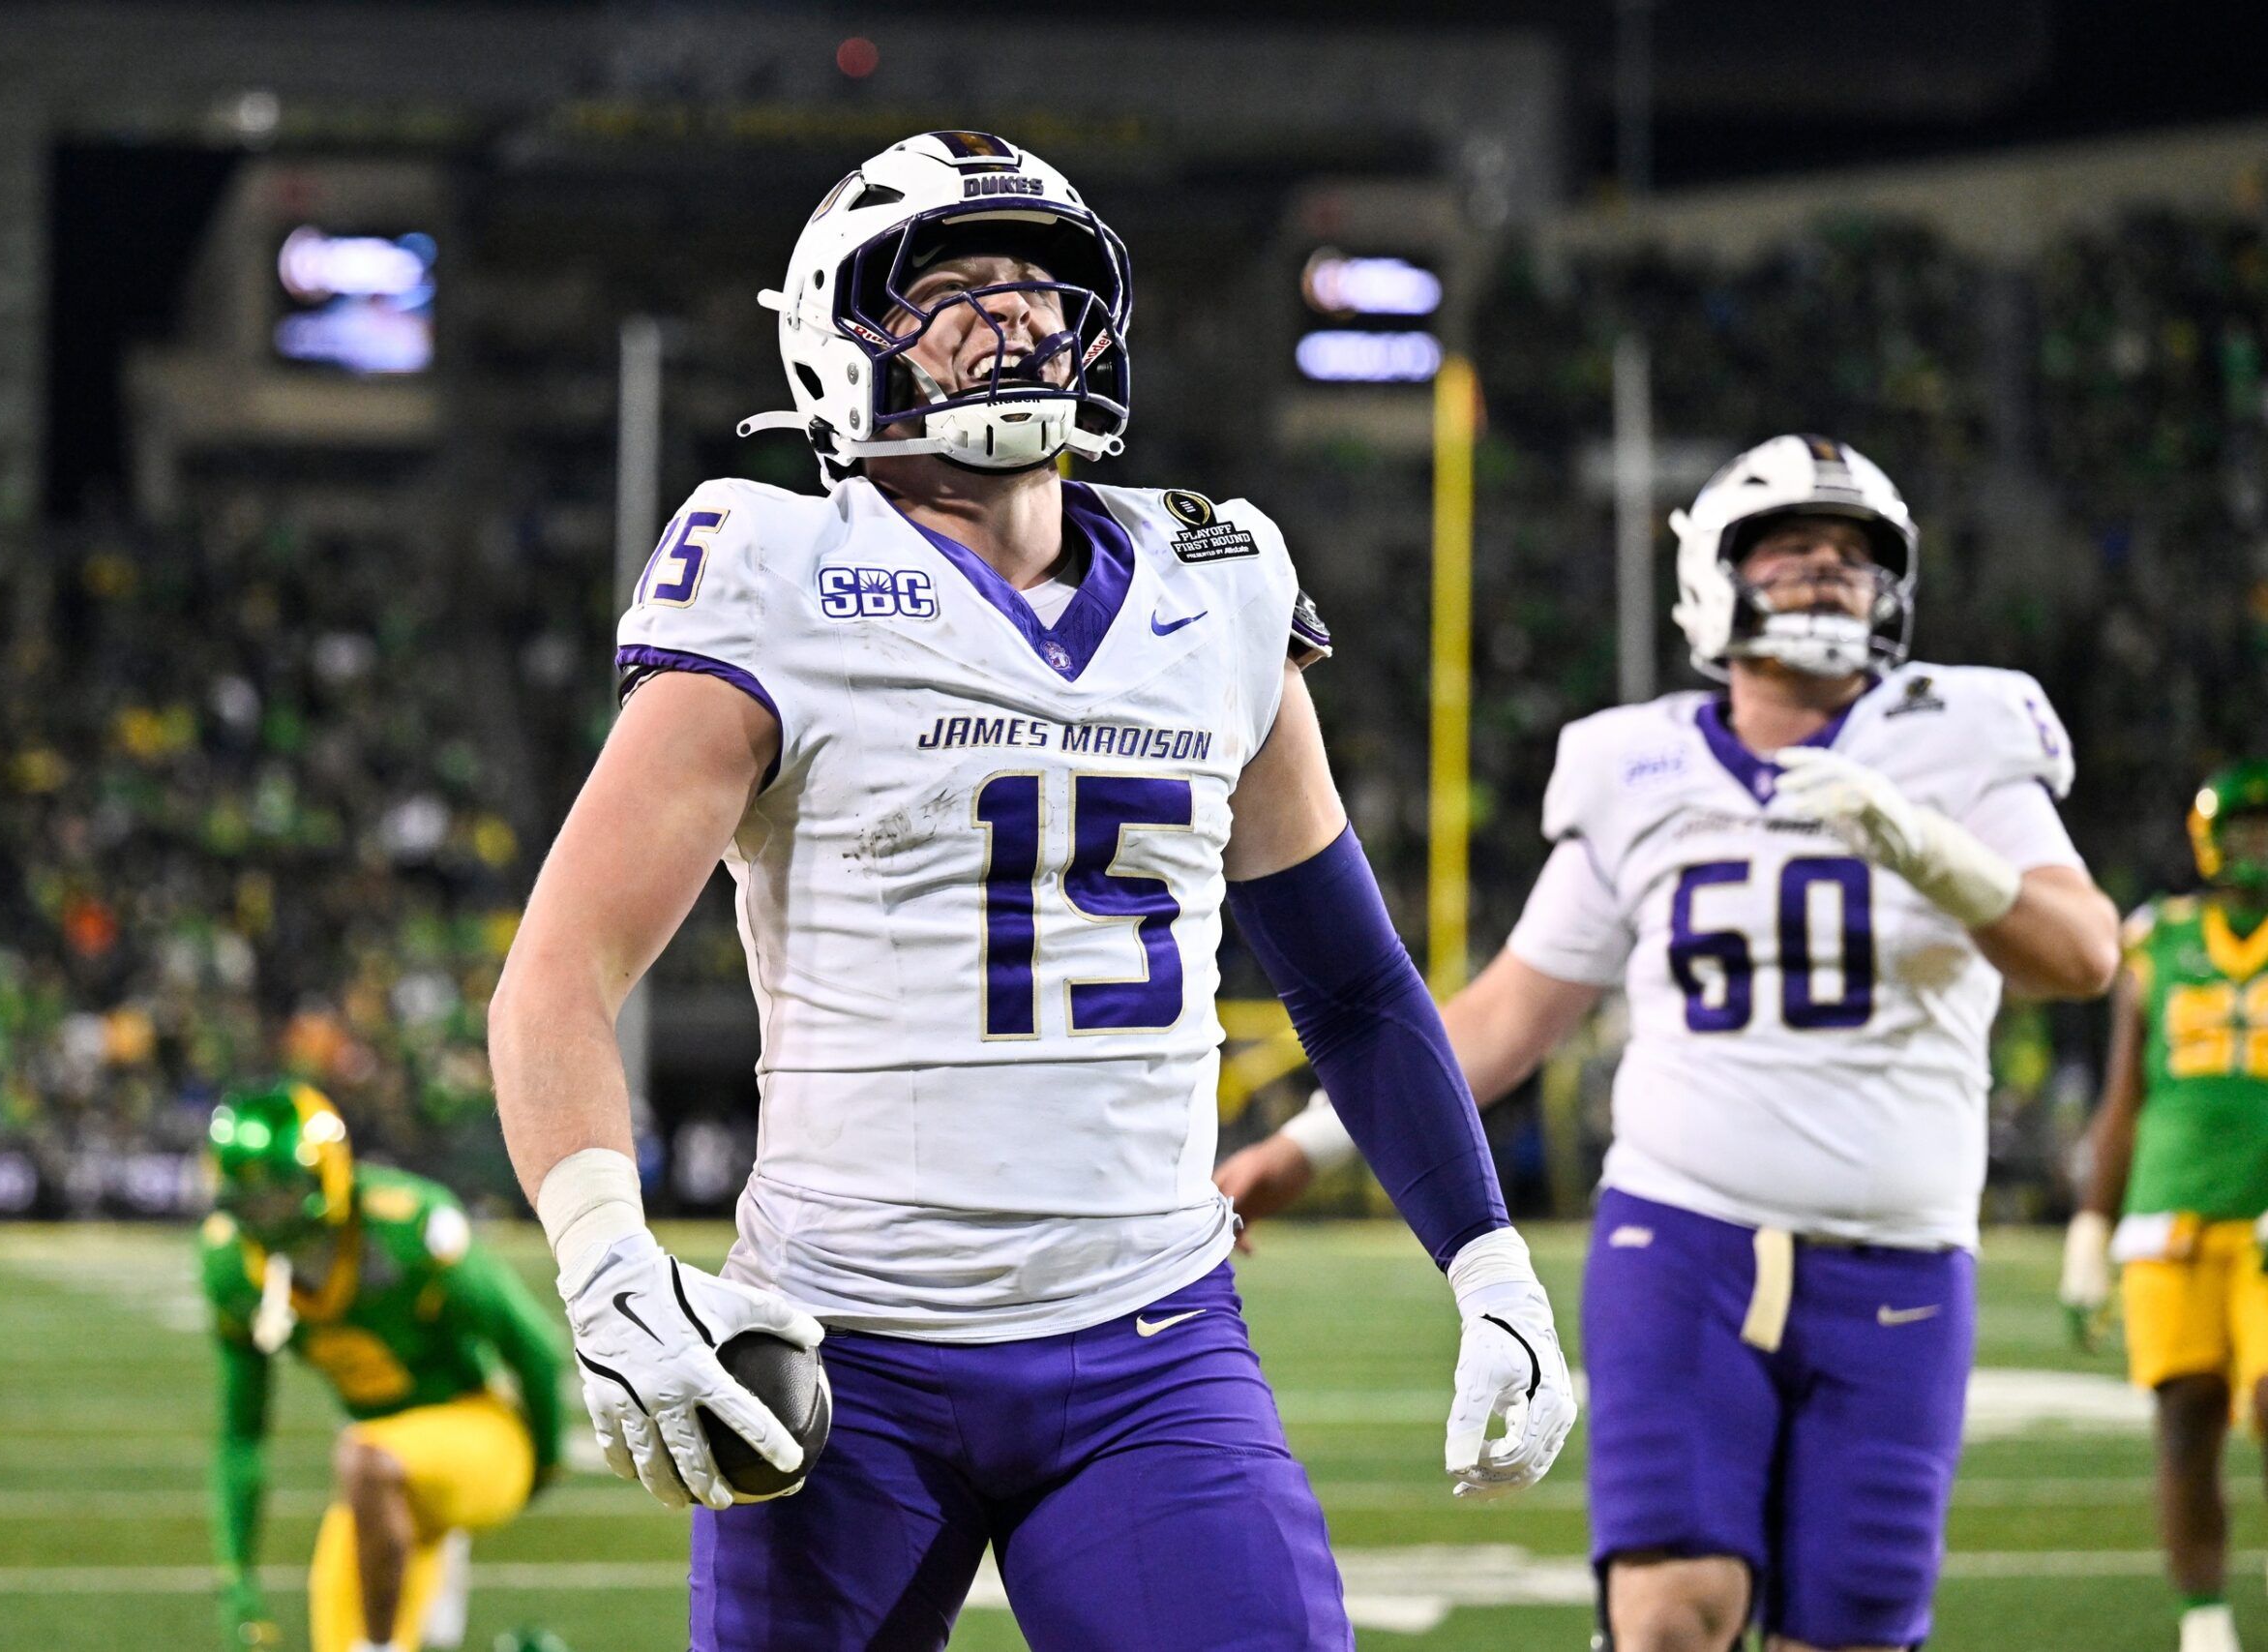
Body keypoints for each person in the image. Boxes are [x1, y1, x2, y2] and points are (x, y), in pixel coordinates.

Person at [486, 130, 1576, 1652]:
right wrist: (603, 1250)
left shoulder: (1221, 580)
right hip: (844, 1348)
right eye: (948, 287)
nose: (1010, 315)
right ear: (835, 342)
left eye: (1037, 286)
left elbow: (1352, 985)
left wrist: (1491, 1258)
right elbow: (560, 967)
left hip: (1149, 1342)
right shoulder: (775, 565)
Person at [1215, 434, 2120, 1652]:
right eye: (1791, 552)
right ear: (1716, 578)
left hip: (1900, 1258)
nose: (1823, 579)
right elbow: (1507, 1015)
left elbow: (2082, 954)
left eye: (1851, 558)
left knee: (1851, 1630)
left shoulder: (1958, 736)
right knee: (1670, 1613)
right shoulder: (1634, 763)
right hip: (1682, 1237)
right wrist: (1307, 1149)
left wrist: (1923, 844)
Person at [202, 1082, 566, 1652]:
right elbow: (241, 1434)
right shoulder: (231, 1267)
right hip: (376, 1478)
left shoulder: (406, 1226)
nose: (261, 1213)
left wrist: (543, 1464)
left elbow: (530, 1344)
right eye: (246, 1197)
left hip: (475, 1428)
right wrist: (235, 1574)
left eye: (274, 1192)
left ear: (325, 1175)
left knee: (365, 1459)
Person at [2063, 763, 2268, 1652]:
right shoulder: (2157, 939)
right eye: (2249, 825)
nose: (2259, 842)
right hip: (2169, 1212)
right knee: (2185, 1416)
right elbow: (2123, 1094)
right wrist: (2089, 1226)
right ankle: (2206, 1620)